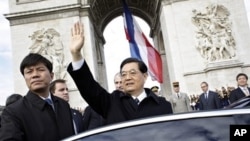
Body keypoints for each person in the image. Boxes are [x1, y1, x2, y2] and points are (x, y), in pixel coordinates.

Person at [67, 22, 173, 125]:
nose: (127, 78)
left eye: (132, 73)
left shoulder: (163, 105)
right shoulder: (111, 102)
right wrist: (76, 54)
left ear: (145, 76)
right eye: (123, 74)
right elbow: (89, 88)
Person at [0, 53, 74, 140]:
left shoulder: (64, 105)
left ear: (51, 76)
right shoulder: (12, 112)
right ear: (25, 78)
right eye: (29, 72)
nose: (35, 75)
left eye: (40, 69)